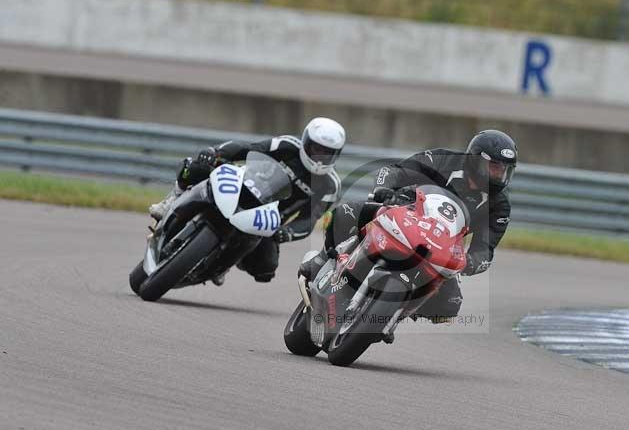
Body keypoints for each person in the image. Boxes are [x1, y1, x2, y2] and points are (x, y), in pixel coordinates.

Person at [303, 129, 516, 322]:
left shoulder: (500, 205)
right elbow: (395, 171)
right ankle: (322, 259)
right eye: (494, 167)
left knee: (449, 306)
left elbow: (484, 249)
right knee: (346, 213)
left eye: (505, 170)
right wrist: (384, 189)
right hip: (405, 212)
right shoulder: (444, 160)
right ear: (475, 159)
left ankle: (392, 315)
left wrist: (470, 262)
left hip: (439, 245)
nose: (499, 175)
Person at [150, 117, 345, 284]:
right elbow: (249, 148)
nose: (320, 157)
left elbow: (309, 219)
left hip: (267, 219)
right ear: (305, 142)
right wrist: (216, 152)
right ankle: (171, 200)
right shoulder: (288, 145)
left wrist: (285, 233)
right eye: (316, 148)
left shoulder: (330, 186)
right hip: (245, 186)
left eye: (327, 152)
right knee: (196, 166)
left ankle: (224, 263)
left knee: (265, 269)